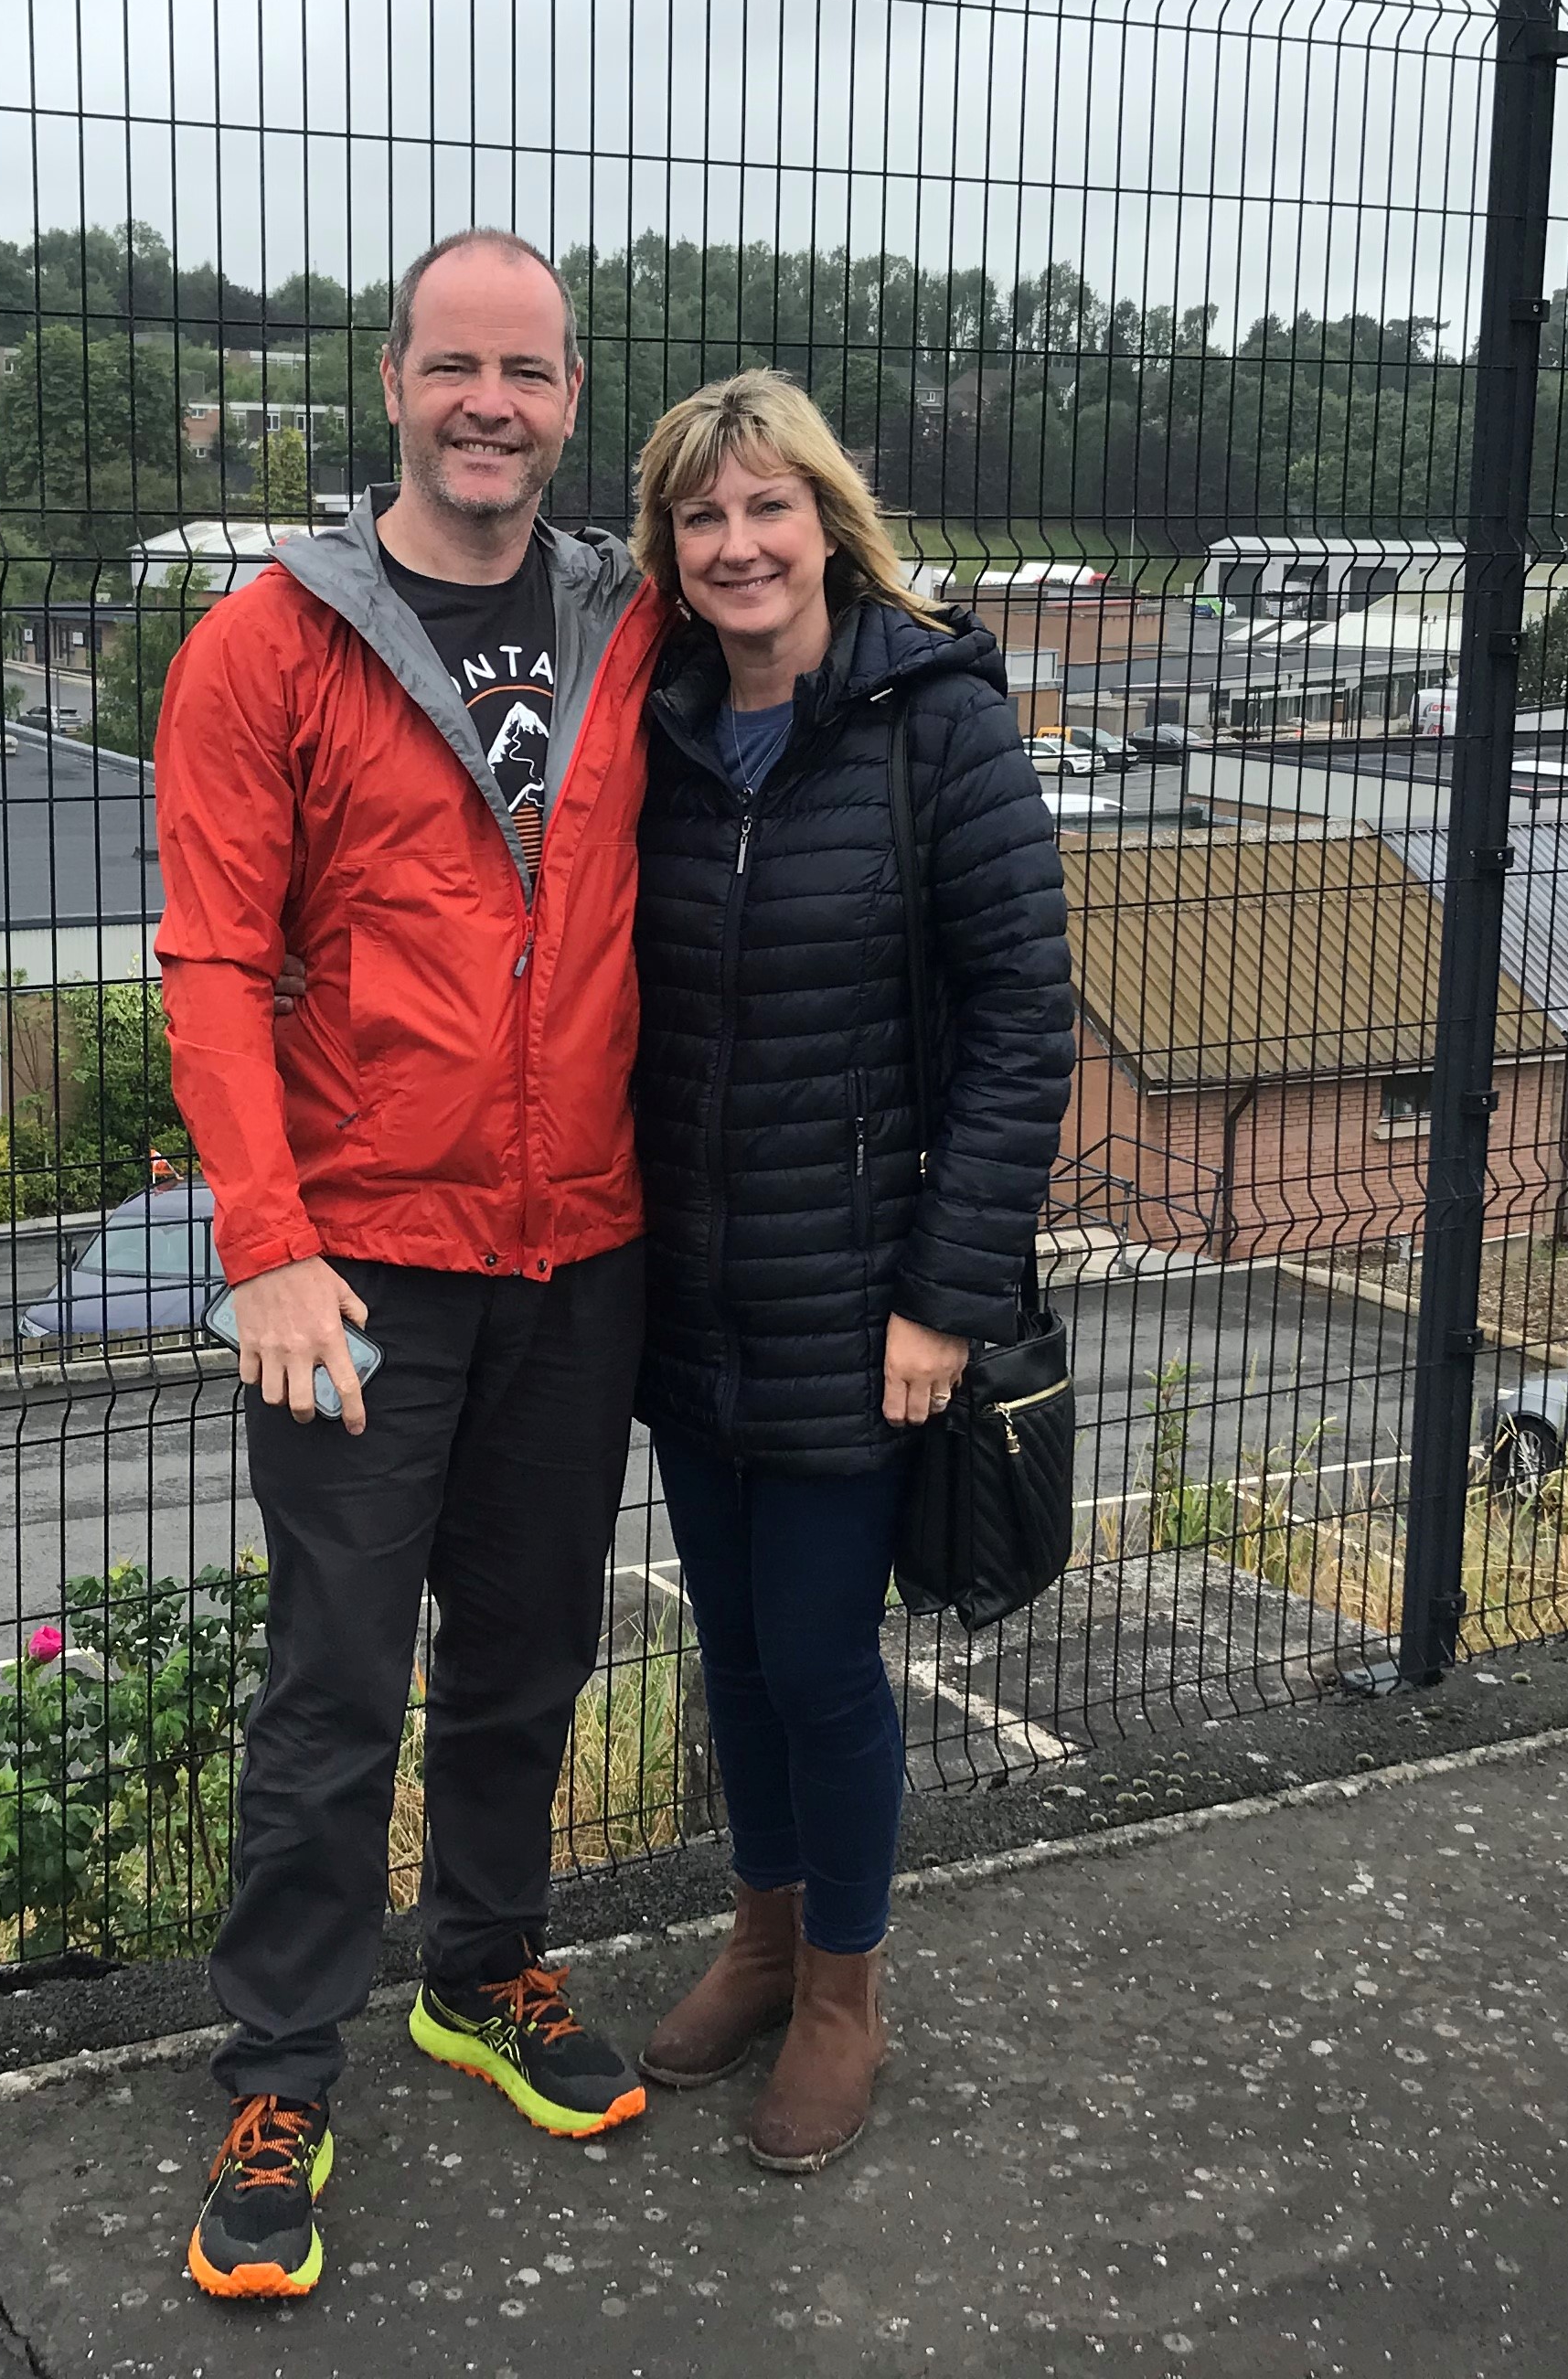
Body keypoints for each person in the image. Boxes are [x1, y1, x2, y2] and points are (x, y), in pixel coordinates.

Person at [151, 227, 672, 2302]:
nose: (491, 404)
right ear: (391, 383)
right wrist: (264, 1247)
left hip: (586, 1248)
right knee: (337, 1682)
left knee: (532, 1650)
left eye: (528, 374)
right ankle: (282, 2069)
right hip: (357, 1267)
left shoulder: (634, 621)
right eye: (454, 366)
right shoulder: (267, 645)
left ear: (569, 397)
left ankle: (485, 1971)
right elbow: (209, 962)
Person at [622, 368, 1073, 2171]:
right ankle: (757, 1933)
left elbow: (1026, 1025)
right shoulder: (649, 733)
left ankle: (840, 1995)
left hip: (860, 1305)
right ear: (671, 550)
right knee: (731, 1651)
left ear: (826, 521)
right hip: (688, 1295)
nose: (736, 545)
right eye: (701, 517)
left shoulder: (935, 723)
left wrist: (942, 1301)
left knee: (818, 1658)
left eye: (765, 508)